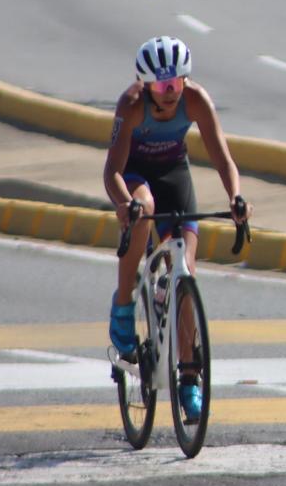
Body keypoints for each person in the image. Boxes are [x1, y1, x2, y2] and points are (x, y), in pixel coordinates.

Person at [103, 36, 252, 421]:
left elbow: (223, 158)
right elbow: (112, 170)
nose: (169, 93)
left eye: (175, 83)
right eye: (160, 86)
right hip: (135, 176)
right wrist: (125, 204)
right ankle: (123, 306)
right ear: (145, 86)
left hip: (174, 174)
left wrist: (236, 197)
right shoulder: (131, 105)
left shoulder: (196, 99)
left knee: (186, 272)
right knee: (145, 210)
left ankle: (189, 379)